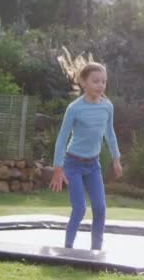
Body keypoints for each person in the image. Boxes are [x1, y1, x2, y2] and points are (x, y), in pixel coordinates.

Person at [49, 62, 123, 251]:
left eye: (104, 82)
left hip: (93, 165)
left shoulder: (107, 107)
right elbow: (62, 138)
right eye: (96, 81)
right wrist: (58, 168)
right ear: (84, 82)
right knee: (80, 208)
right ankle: (67, 249)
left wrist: (116, 158)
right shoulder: (74, 108)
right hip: (72, 164)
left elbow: (110, 133)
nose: (100, 85)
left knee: (100, 208)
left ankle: (96, 251)